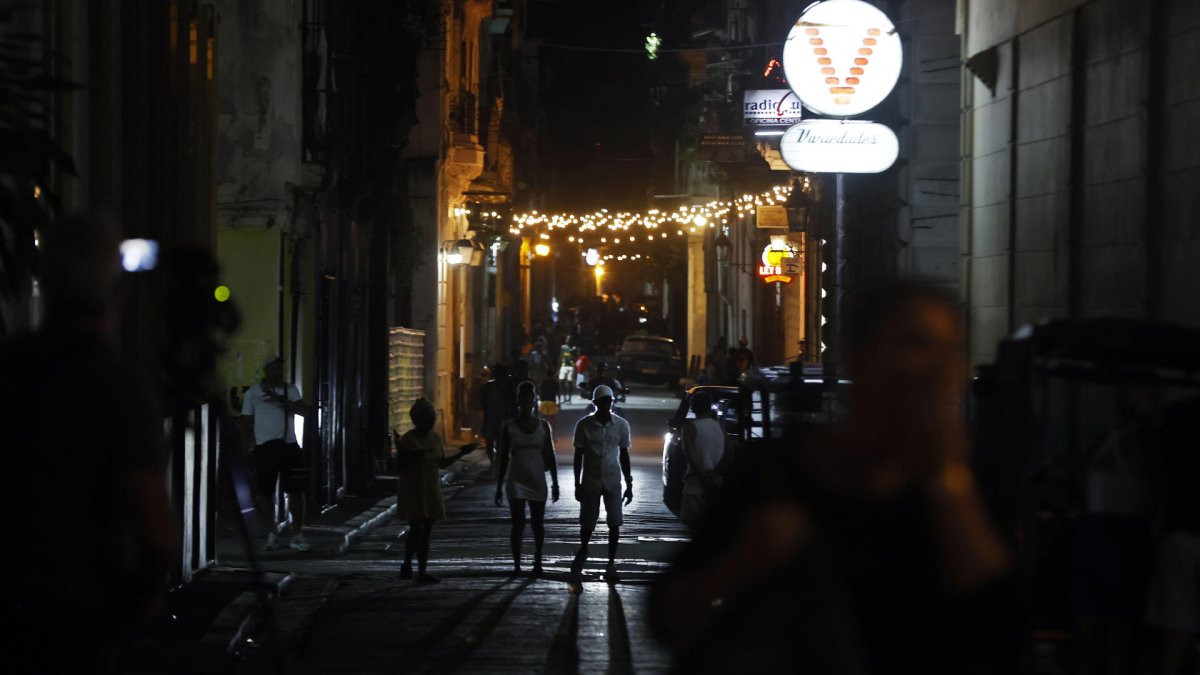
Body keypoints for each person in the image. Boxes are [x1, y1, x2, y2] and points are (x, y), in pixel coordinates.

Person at [650, 283, 1013, 674]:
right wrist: (748, 559)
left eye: (952, 350)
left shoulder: (967, 486)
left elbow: (1002, 630)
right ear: (861, 358)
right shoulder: (778, 474)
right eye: (916, 343)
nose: (937, 368)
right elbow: (668, 616)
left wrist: (949, 483)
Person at [2, 215, 176, 670]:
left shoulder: (10, 367)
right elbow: (157, 533)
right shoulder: (115, 387)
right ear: (117, 294)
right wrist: (141, 605)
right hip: (85, 615)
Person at [393, 398, 477, 583]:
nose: (431, 421)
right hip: (413, 489)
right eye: (428, 417)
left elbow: (442, 463)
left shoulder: (435, 438)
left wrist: (462, 453)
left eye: (432, 417)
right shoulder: (408, 440)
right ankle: (410, 565)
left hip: (430, 487)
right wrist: (413, 455)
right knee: (416, 529)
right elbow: (402, 465)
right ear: (417, 419)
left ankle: (418, 569)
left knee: (426, 530)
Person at [241, 355, 313, 551]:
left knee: (296, 490)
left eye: (280, 368)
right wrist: (246, 448)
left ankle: (297, 532)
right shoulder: (253, 393)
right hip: (264, 448)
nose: (278, 372)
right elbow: (246, 422)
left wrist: (279, 399)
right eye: (274, 368)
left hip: (289, 445)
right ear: (266, 370)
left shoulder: (291, 390)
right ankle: (271, 533)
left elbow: (304, 411)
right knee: (265, 493)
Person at [495, 382, 561, 576]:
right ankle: (516, 565)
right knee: (518, 523)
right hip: (516, 480)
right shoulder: (509, 427)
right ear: (518, 402)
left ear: (533, 402)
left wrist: (555, 483)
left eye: (529, 400)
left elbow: (550, 455)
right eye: (522, 401)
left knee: (538, 524)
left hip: (537, 480)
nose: (526, 404)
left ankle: (537, 560)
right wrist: (499, 486)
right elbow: (503, 458)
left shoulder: (544, 426)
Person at [570, 385, 635, 582]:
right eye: (602, 402)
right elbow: (578, 456)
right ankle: (584, 549)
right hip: (590, 480)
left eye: (608, 402)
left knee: (614, 522)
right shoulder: (584, 425)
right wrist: (577, 484)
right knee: (587, 523)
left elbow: (624, 454)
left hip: (612, 480)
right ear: (595, 404)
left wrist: (629, 483)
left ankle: (611, 563)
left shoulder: (621, 425)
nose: (606, 406)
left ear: (611, 403)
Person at [680, 392, 728, 529]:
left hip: (695, 484)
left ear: (692, 408)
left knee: (693, 526)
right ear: (709, 407)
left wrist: (703, 475)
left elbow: (690, 455)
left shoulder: (689, 427)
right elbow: (729, 454)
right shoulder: (720, 427)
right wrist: (715, 473)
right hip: (716, 484)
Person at [480, 363, 516, 463]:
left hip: (492, 418)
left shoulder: (489, 386)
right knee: (500, 443)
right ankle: (496, 462)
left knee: (491, 442)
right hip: (500, 418)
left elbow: (483, 402)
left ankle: (494, 462)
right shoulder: (508, 386)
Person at [558, 339, 576, 404]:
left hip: (571, 366)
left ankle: (569, 399)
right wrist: (559, 366)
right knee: (561, 382)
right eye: (567, 338)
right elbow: (561, 356)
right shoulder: (563, 347)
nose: (568, 340)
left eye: (570, 339)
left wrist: (573, 352)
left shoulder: (574, 348)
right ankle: (565, 398)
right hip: (564, 366)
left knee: (570, 382)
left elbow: (575, 358)